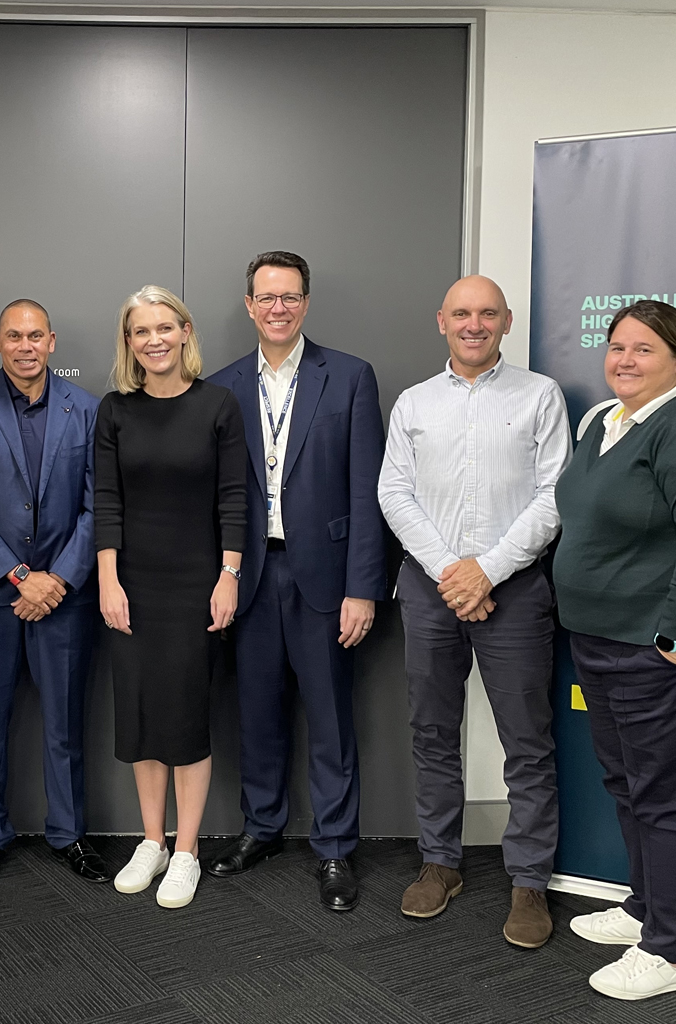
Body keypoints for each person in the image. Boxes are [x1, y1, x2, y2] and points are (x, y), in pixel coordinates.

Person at [555, 300, 676, 1001]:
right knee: (629, 782)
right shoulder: (612, 424)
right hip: (603, 641)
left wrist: (670, 637)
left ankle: (668, 951)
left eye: (644, 349)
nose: (625, 360)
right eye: (616, 347)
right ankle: (644, 905)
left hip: (663, 645)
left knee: (667, 797)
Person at [378, 275, 570, 946]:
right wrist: (451, 572)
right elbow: (393, 492)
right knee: (433, 732)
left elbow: (554, 497)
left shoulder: (540, 396)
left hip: (514, 591)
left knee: (528, 741)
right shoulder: (413, 403)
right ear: (441, 321)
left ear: (506, 321)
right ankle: (440, 863)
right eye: (462, 312)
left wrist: (486, 570)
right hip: (431, 590)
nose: (474, 323)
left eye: (487, 312)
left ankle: (529, 881)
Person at [205, 250, 386, 912]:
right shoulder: (221, 386)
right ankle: (262, 827)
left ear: (305, 303)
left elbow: (369, 492)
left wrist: (363, 586)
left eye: (289, 296)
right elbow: (216, 498)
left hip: (327, 578)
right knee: (257, 712)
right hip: (248, 575)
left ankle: (336, 847)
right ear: (249, 306)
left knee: (332, 719)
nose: (277, 308)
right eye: (266, 297)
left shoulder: (350, 378)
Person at [0, 299, 108, 890]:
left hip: (65, 594)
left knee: (65, 722)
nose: (25, 346)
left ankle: (69, 833)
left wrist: (57, 578)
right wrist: (20, 577)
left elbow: (98, 506)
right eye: (14, 336)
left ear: (52, 342)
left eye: (36, 336)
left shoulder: (87, 410)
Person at [96, 285, 248, 909]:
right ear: (128, 342)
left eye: (165, 327)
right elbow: (106, 498)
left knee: (185, 714)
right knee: (138, 713)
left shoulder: (219, 405)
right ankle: (151, 841)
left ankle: (185, 850)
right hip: (131, 582)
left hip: (196, 583)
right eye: (141, 331)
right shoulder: (114, 409)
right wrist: (108, 578)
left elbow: (234, 498)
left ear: (185, 331)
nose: (154, 340)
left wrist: (228, 574)